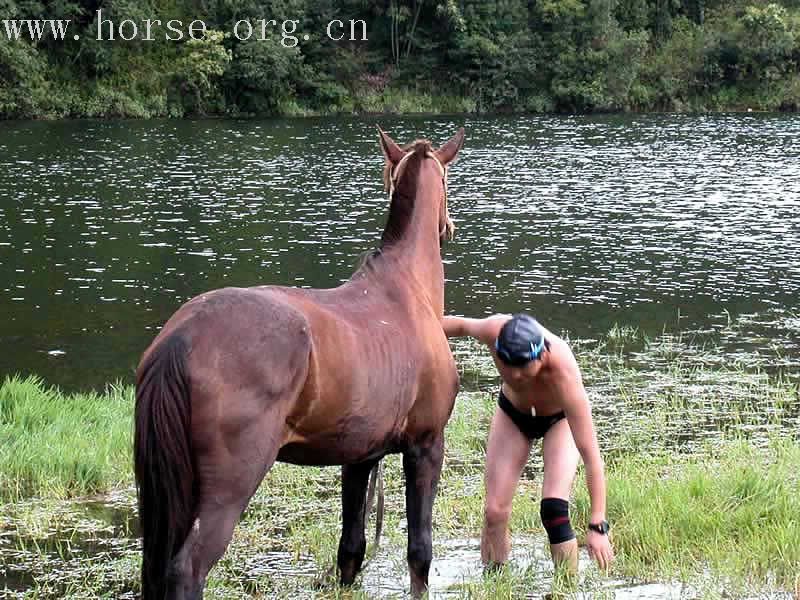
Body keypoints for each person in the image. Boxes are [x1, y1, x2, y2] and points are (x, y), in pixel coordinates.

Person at [442, 313, 614, 574]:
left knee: (553, 509)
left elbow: (592, 457)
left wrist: (597, 525)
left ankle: (565, 588)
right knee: (494, 512)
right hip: (513, 414)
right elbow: (454, 325)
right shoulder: (493, 329)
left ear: (542, 355)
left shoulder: (563, 371)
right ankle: (495, 583)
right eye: (507, 364)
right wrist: (400, 326)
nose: (515, 374)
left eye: (523, 366)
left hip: (559, 421)